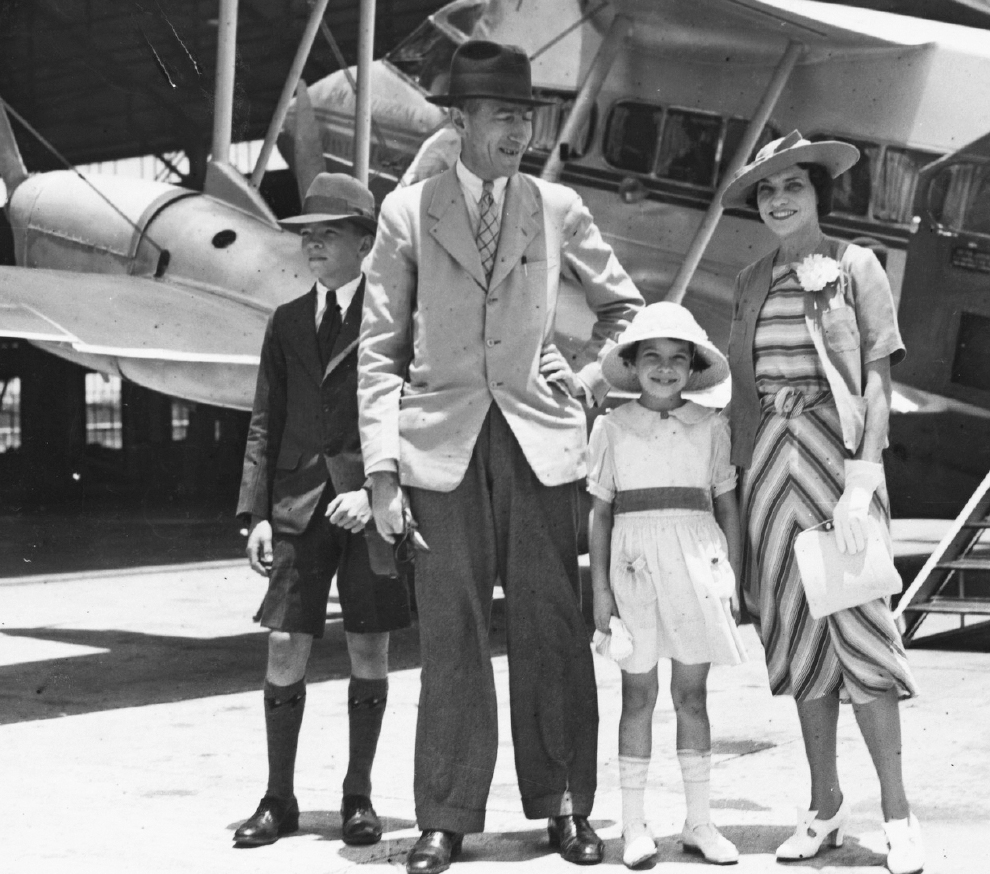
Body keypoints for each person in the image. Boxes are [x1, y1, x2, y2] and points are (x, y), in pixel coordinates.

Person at [357, 40, 644, 874]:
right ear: (462, 120)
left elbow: (624, 310)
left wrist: (586, 380)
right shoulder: (407, 213)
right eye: (503, 115)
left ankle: (563, 807)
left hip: (538, 445)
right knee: (450, 635)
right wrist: (382, 475)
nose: (519, 130)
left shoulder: (556, 208)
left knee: (551, 628)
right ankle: (445, 817)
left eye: (526, 116)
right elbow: (377, 351)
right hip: (438, 448)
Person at [720, 132, 924, 874]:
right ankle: (824, 806)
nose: (778, 201)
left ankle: (897, 815)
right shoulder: (747, 281)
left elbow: (875, 381)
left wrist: (863, 479)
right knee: (799, 642)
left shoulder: (853, 264)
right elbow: (740, 397)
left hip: (836, 468)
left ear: (817, 196)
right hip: (769, 471)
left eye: (793, 188)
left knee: (862, 636)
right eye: (767, 192)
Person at [233, 173, 412, 849]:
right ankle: (277, 799)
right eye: (306, 234)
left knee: (370, 644)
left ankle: (358, 797)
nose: (311, 244)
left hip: (369, 507)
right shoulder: (284, 322)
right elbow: (263, 422)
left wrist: (376, 490)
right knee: (284, 645)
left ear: (365, 242)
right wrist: (255, 514)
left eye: (328, 233)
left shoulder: (394, 318)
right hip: (297, 508)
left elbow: (411, 415)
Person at [586, 302, 747, 869]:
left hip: (696, 565)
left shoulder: (711, 427)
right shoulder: (610, 427)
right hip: (634, 570)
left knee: (691, 695)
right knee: (638, 695)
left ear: (693, 367)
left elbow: (727, 502)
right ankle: (633, 824)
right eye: (651, 357)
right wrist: (602, 591)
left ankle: (699, 820)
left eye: (678, 360)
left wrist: (733, 574)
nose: (664, 369)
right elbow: (600, 514)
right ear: (631, 364)